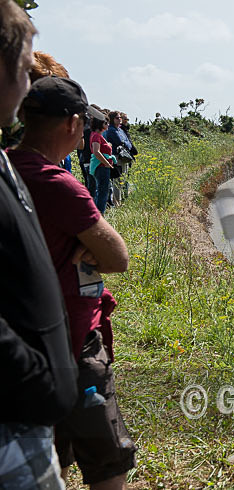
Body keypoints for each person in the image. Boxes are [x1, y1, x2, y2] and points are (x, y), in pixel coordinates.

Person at [9, 75, 135, 490]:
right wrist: (87, 248)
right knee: (107, 463)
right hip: (74, 336)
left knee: (52, 453)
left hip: (23, 340)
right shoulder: (59, 184)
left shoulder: (6, 167)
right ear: (72, 124)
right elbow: (118, 257)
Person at [0, 2, 78, 488]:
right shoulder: (48, 174)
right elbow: (116, 256)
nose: (29, 84)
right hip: (13, 423)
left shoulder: (8, 157)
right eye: (25, 68)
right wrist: (34, 375)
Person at [103, 111, 134, 204]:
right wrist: (126, 143)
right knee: (118, 180)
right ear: (112, 119)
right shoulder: (111, 130)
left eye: (120, 117)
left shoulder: (120, 130)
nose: (120, 119)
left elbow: (128, 142)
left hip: (124, 157)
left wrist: (126, 144)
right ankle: (117, 202)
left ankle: (120, 200)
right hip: (117, 157)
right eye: (117, 118)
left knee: (123, 179)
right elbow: (120, 141)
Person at [88, 116, 114, 214]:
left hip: (102, 166)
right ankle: (99, 213)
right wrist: (106, 163)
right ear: (100, 124)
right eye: (106, 123)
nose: (108, 125)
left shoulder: (98, 135)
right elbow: (96, 151)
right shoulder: (96, 136)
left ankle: (98, 212)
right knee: (102, 190)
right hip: (101, 167)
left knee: (102, 189)